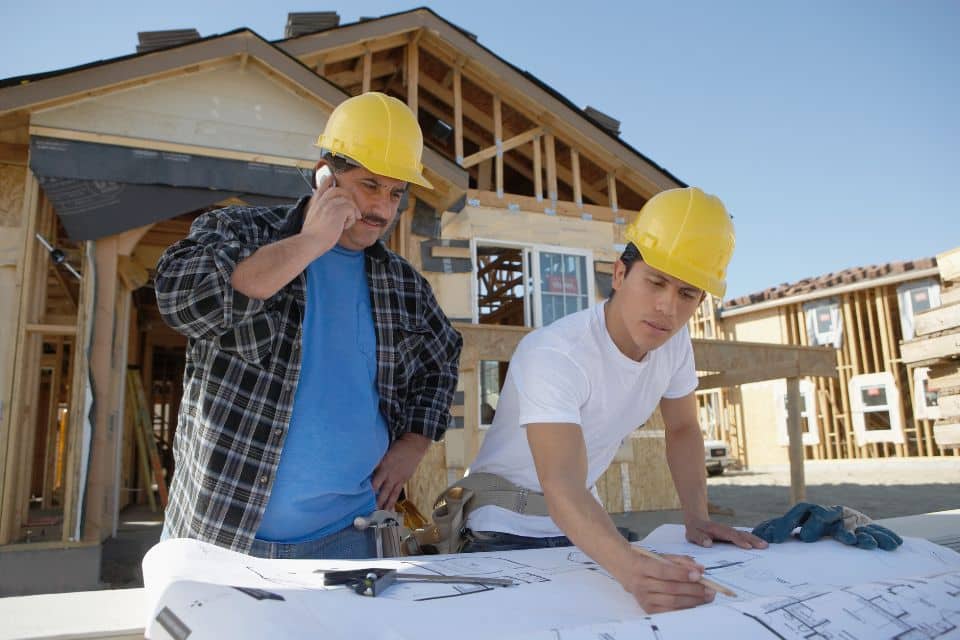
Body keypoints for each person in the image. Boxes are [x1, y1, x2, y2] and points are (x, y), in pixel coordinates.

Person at [154, 92, 462, 560]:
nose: (382, 209)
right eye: (369, 185)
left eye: (395, 192)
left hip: (351, 535)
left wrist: (415, 443)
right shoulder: (240, 232)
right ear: (325, 175)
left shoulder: (404, 286)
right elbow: (181, 298)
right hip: (224, 531)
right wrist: (312, 241)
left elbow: (442, 358)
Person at [457, 187, 767, 613]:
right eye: (655, 282)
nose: (666, 308)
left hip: (584, 522)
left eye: (687, 294)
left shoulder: (673, 346)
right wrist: (630, 568)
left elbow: (683, 429)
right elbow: (561, 483)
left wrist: (696, 517)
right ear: (620, 275)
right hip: (504, 528)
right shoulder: (555, 353)